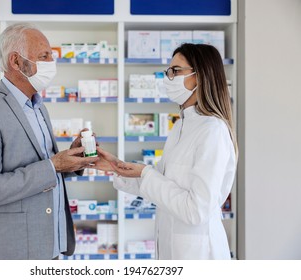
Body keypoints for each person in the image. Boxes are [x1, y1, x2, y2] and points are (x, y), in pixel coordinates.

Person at [0, 23, 99, 260]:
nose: (52, 63)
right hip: (12, 253)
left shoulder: (38, 106)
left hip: (49, 247)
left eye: (52, 56)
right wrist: (54, 165)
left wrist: (72, 160)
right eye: (44, 56)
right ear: (16, 61)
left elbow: (45, 168)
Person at [94, 43, 238, 260]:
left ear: (199, 77)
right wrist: (116, 167)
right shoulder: (181, 125)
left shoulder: (213, 130)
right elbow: (161, 185)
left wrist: (146, 173)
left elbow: (196, 210)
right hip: (171, 249)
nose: (169, 78)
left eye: (176, 71)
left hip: (199, 254)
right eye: (168, 71)